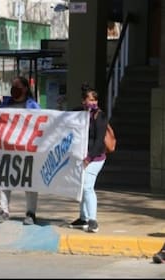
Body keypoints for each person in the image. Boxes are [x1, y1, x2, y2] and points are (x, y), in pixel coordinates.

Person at [0, 76, 40, 225]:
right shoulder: (6, 104)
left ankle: (31, 213)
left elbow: (41, 123)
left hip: (27, 149)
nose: (14, 88)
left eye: (17, 86)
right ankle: (3, 210)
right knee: (4, 180)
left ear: (25, 88)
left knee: (30, 182)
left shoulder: (32, 106)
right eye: (13, 85)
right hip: (7, 148)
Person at [68, 83, 108, 233]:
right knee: (82, 186)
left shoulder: (100, 116)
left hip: (96, 158)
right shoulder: (80, 113)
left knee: (87, 187)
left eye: (95, 100)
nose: (93, 103)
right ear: (83, 101)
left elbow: (99, 141)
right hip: (83, 157)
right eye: (90, 100)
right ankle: (83, 218)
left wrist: (89, 158)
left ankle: (92, 220)